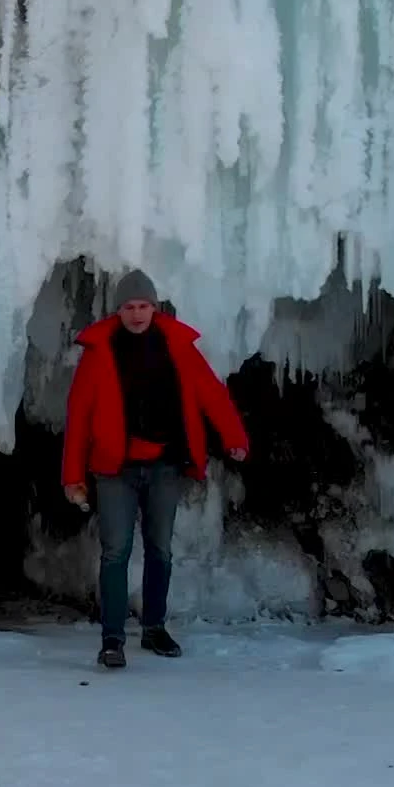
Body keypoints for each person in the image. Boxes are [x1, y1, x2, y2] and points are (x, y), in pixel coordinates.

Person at [60, 269, 250, 668]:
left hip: (165, 465)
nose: (136, 314)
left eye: (143, 306)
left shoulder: (177, 345)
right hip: (115, 470)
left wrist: (234, 436)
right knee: (116, 552)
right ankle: (112, 639)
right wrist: (73, 475)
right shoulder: (100, 351)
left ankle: (154, 628)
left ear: (155, 307)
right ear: (119, 310)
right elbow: (79, 416)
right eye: (129, 307)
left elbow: (210, 393)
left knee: (160, 550)